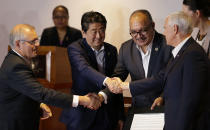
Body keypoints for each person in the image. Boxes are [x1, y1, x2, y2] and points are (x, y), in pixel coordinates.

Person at [110, 11, 210, 130]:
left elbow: (190, 100)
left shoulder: (191, 53)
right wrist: (122, 86)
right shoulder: (182, 52)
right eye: (133, 32)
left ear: (175, 29)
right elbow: (161, 77)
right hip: (142, 111)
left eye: (165, 28)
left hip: (177, 119)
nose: (163, 32)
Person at [0, 24, 101, 130]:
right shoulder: (16, 66)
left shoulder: (15, 60)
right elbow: (42, 93)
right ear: (18, 44)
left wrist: (38, 105)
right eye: (32, 42)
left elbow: (25, 91)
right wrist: (82, 100)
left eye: (37, 40)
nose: (38, 44)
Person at [60, 11, 124, 130]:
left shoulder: (112, 50)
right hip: (81, 115)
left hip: (106, 115)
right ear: (83, 33)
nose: (99, 36)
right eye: (94, 31)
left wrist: (120, 115)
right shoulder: (75, 48)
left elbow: (116, 82)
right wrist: (107, 81)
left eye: (102, 30)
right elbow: (84, 69)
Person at [151, 0, 210, 109]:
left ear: (197, 14)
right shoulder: (190, 35)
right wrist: (164, 96)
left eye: (185, 14)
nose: (182, 17)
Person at [112, 9, 171, 112]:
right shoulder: (126, 48)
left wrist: (163, 97)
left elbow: (172, 79)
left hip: (165, 107)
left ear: (153, 25)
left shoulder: (168, 44)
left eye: (143, 30)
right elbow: (118, 75)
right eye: (134, 32)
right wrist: (114, 82)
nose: (138, 36)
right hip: (138, 108)